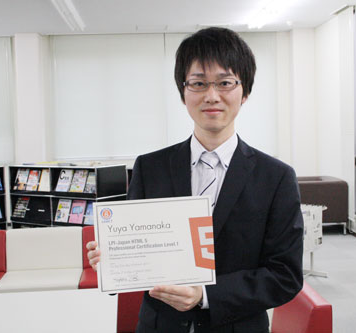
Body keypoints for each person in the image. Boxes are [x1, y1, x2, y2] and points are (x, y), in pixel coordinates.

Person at [87, 27, 303, 333]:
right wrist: (112, 260)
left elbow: (285, 276)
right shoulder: (150, 168)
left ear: (246, 91)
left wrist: (205, 295)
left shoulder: (276, 177)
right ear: (183, 92)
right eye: (199, 83)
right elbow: (134, 261)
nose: (211, 96)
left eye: (225, 82)